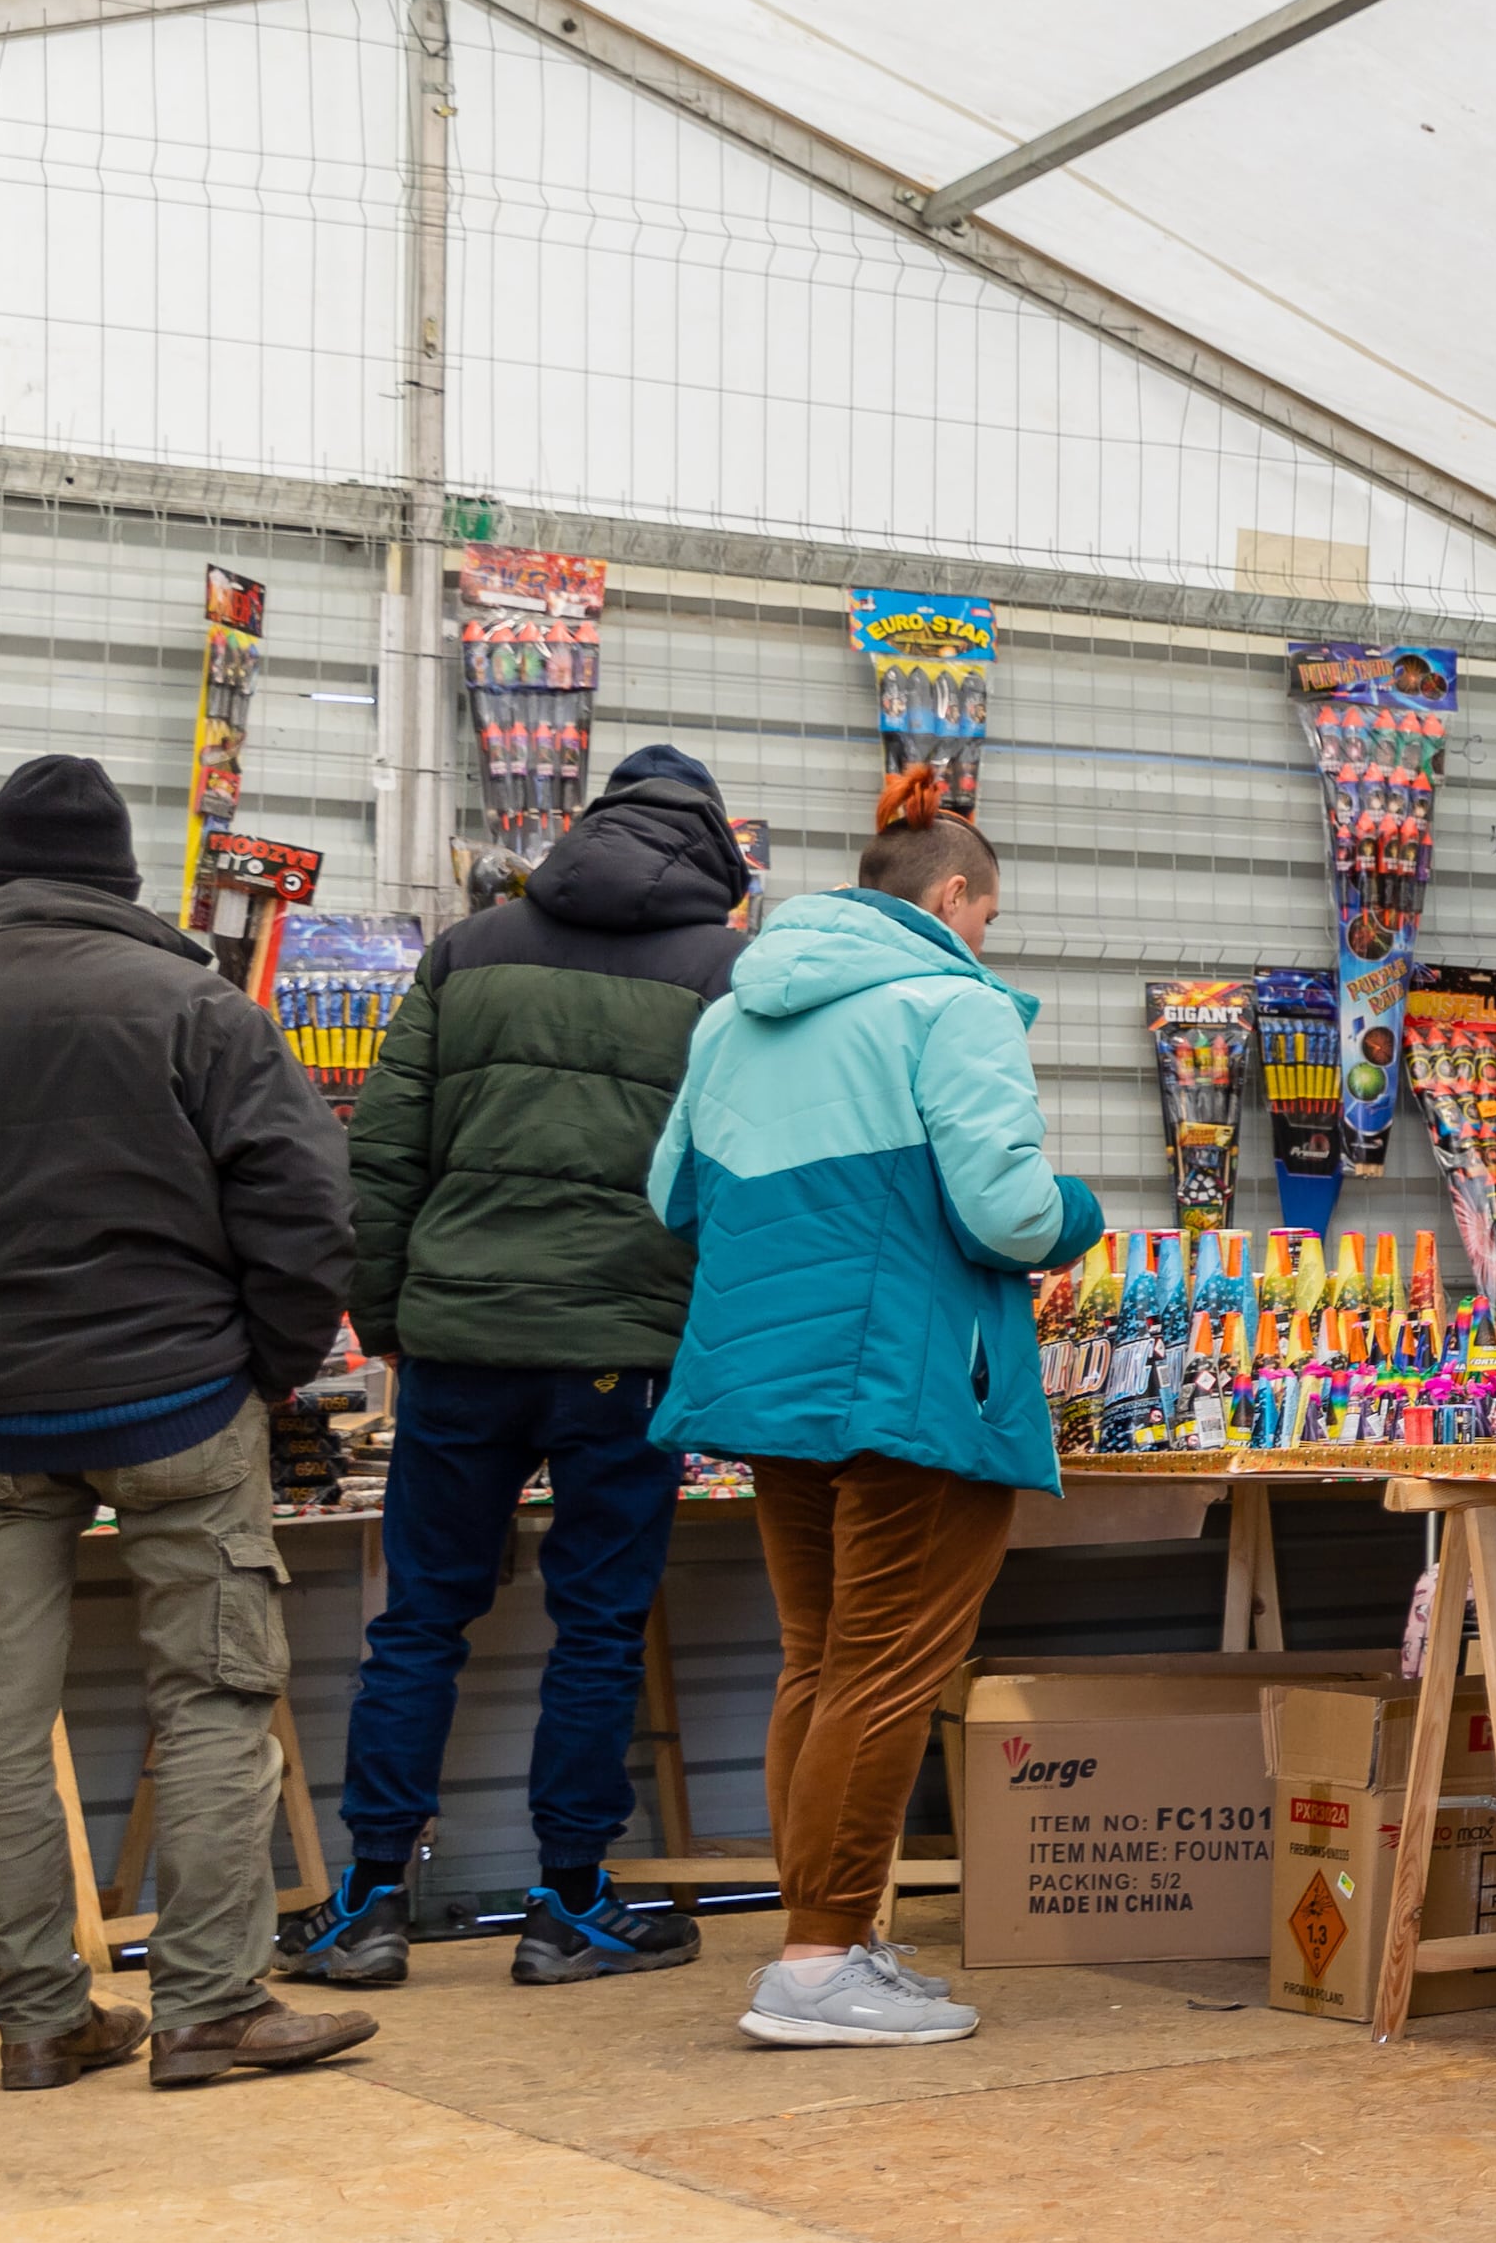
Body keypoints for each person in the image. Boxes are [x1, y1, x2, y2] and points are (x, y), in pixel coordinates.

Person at [645, 771, 1101, 2052]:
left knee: (821, 1662)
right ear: (953, 896)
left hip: (771, 1380)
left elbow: (670, 1196)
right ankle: (816, 1960)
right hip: (910, 1379)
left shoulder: (734, 1017)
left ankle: (830, 1938)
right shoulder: (949, 1005)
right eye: (989, 916)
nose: (985, 939)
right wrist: (1082, 1215)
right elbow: (1007, 1213)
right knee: (892, 1671)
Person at [303, 746, 753, 1993]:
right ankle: (571, 1907)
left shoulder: (468, 950)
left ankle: (369, 1904)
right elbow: (740, 1180)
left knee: (419, 1623)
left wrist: (391, 1319)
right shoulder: (726, 972)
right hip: (625, 1350)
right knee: (598, 1630)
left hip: (459, 1338)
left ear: (586, 829)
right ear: (716, 852)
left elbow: (381, 1157)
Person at [0, 754, 373, 2093]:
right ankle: (205, 2006)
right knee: (212, 1694)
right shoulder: (198, 1006)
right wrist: (264, 1365)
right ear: (122, 882)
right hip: (179, 1404)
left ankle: (36, 2017)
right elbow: (310, 1210)